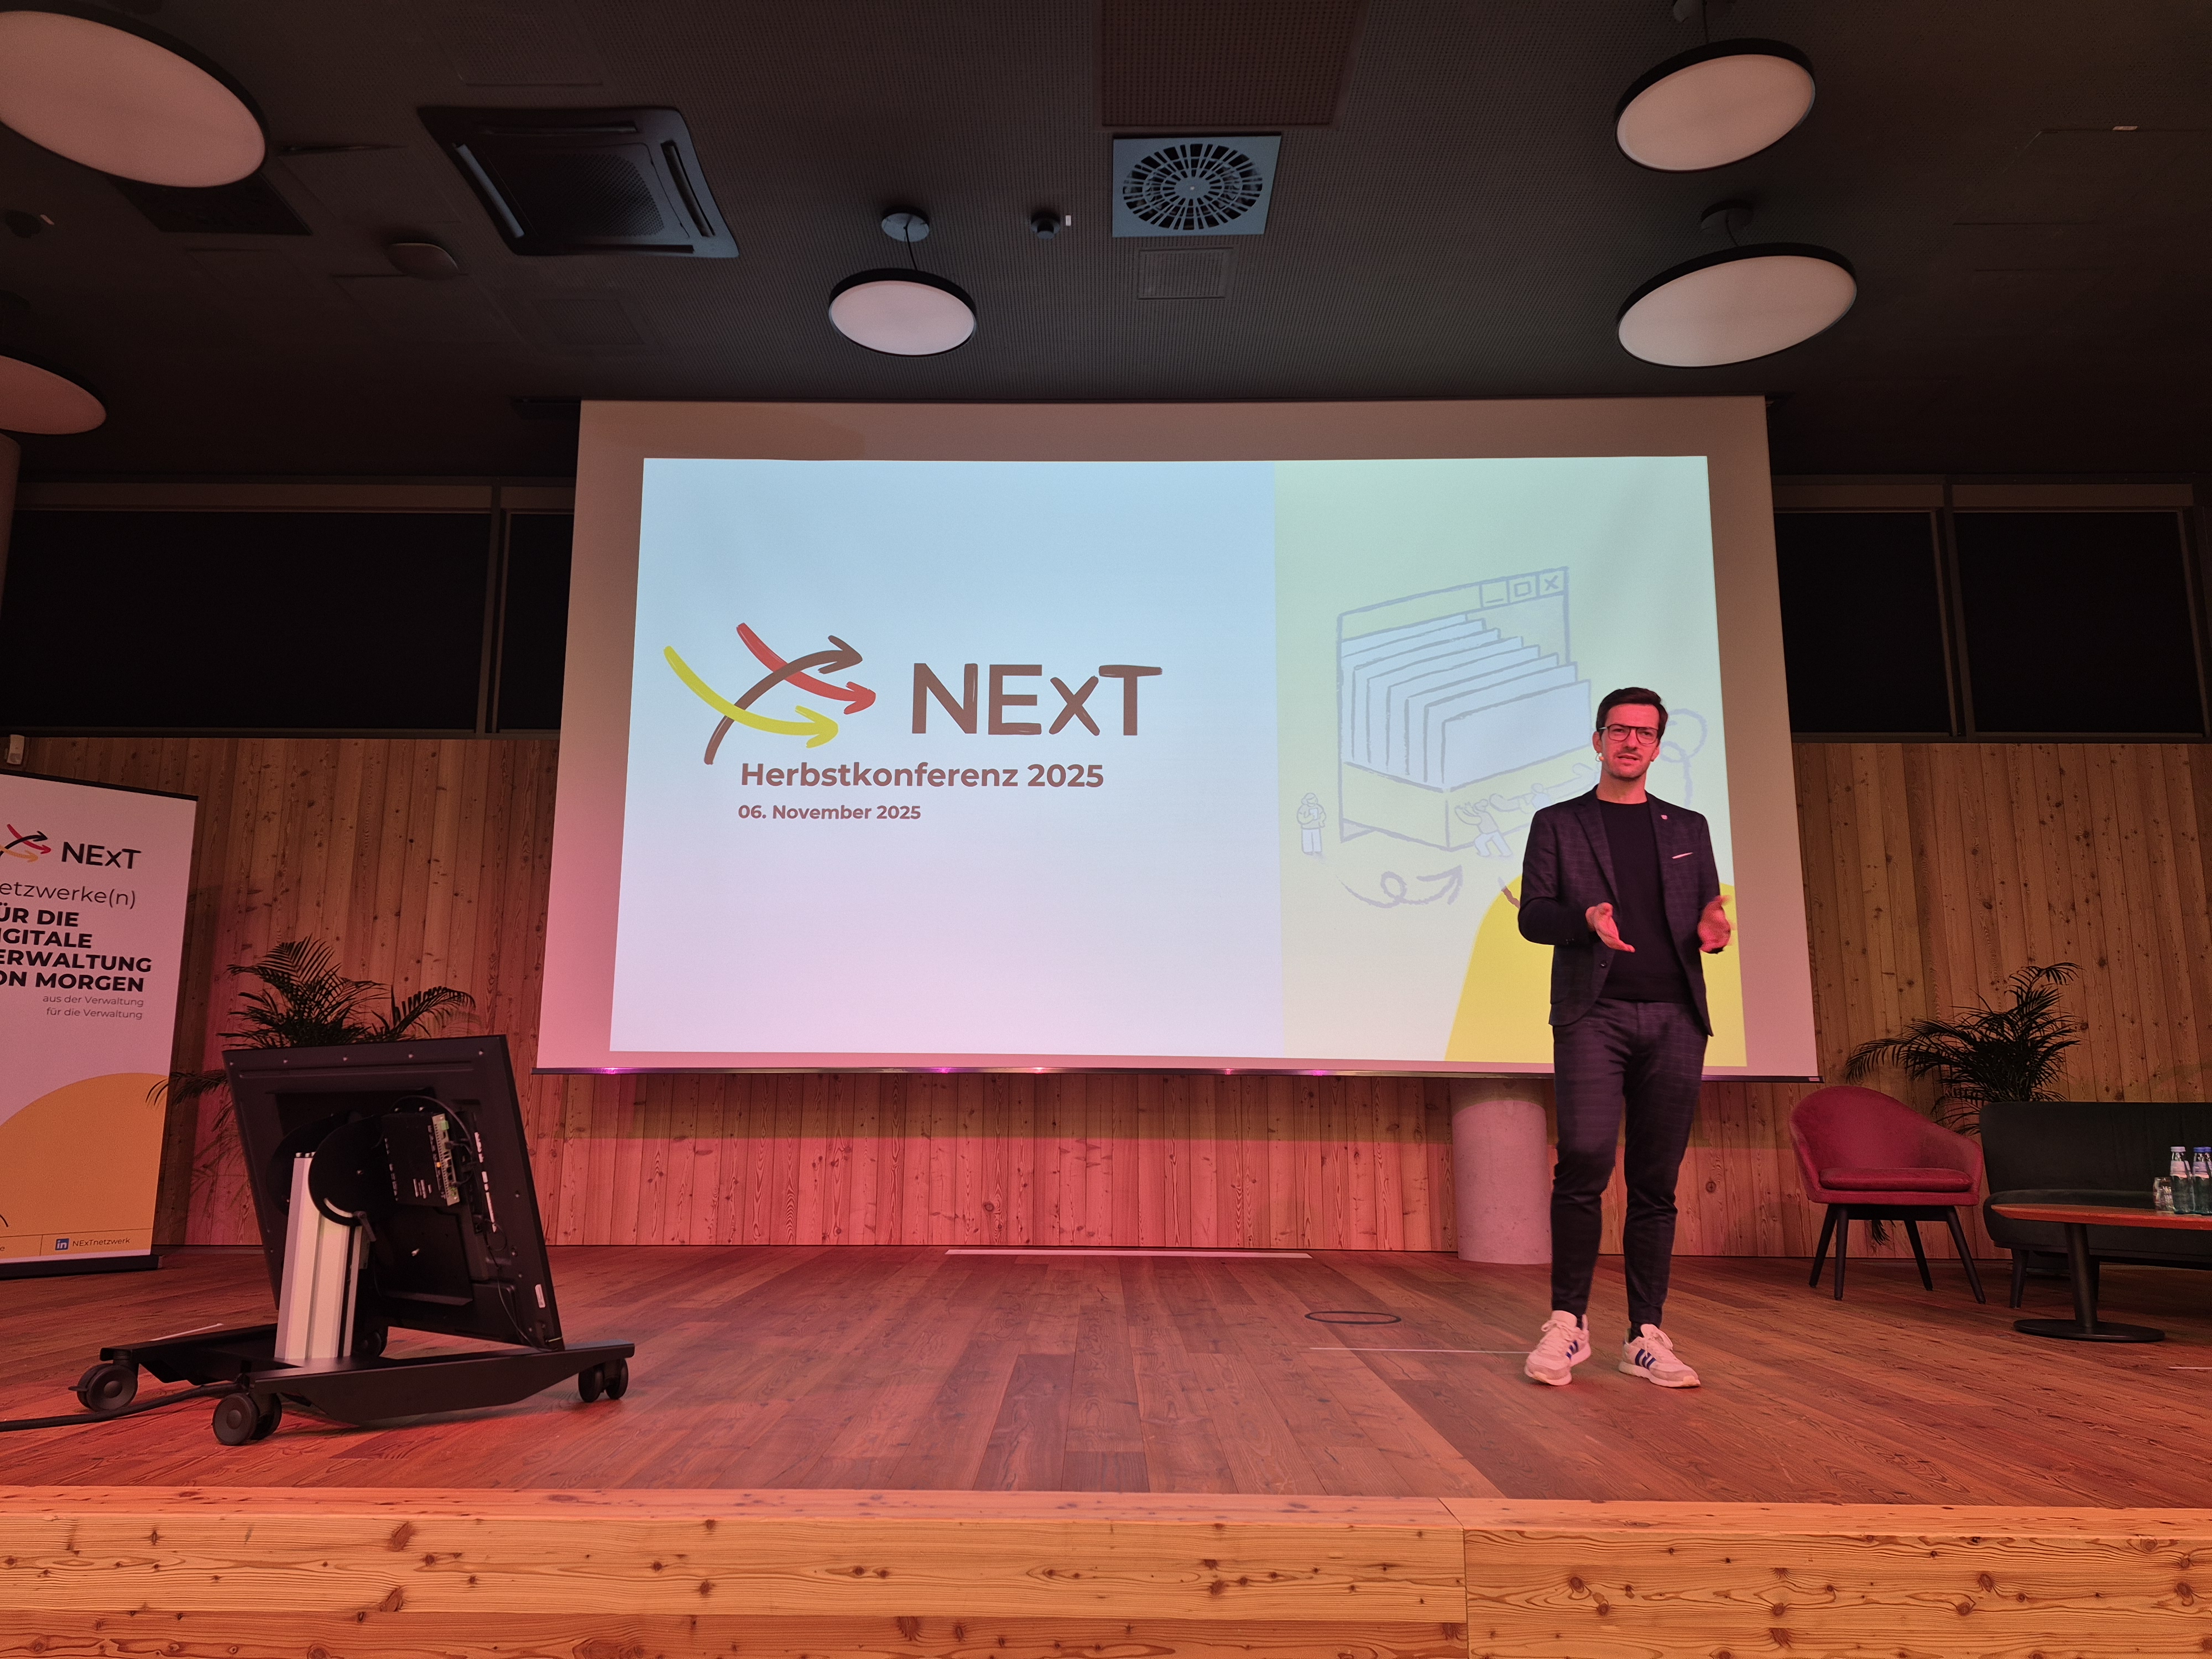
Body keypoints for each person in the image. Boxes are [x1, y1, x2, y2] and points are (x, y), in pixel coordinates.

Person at [1514, 687, 1731, 1390]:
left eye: (1644, 733)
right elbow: (1533, 916)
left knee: (1655, 1180)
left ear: (1658, 747)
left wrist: (1711, 932)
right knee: (1582, 1161)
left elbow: (1704, 914)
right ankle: (1567, 1324)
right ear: (1598, 740)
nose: (1631, 742)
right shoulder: (1559, 822)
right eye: (1619, 730)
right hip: (1594, 1014)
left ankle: (1645, 1335)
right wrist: (1584, 921)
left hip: (1675, 1017)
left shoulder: (1688, 827)